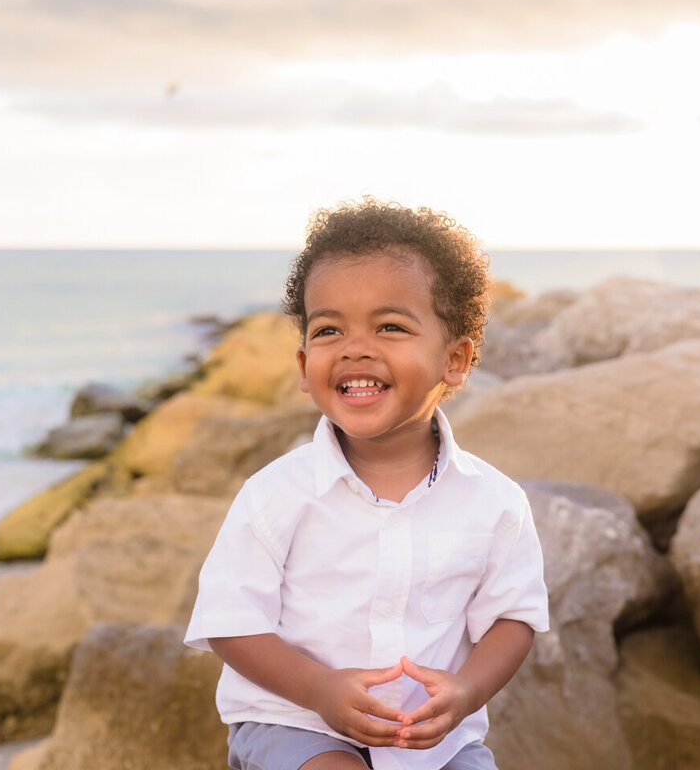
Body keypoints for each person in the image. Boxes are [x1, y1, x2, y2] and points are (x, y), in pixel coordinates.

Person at [184, 199, 550, 770]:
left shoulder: (494, 502)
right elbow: (230, 623)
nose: (355, 347)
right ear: (305, 367)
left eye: (390, 326)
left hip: (433, 743)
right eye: (329, 329)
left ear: (455, 361)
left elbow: (512, 618)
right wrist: (321, 691)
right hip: (294, 722)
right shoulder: (275, 495)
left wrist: (467, 692)